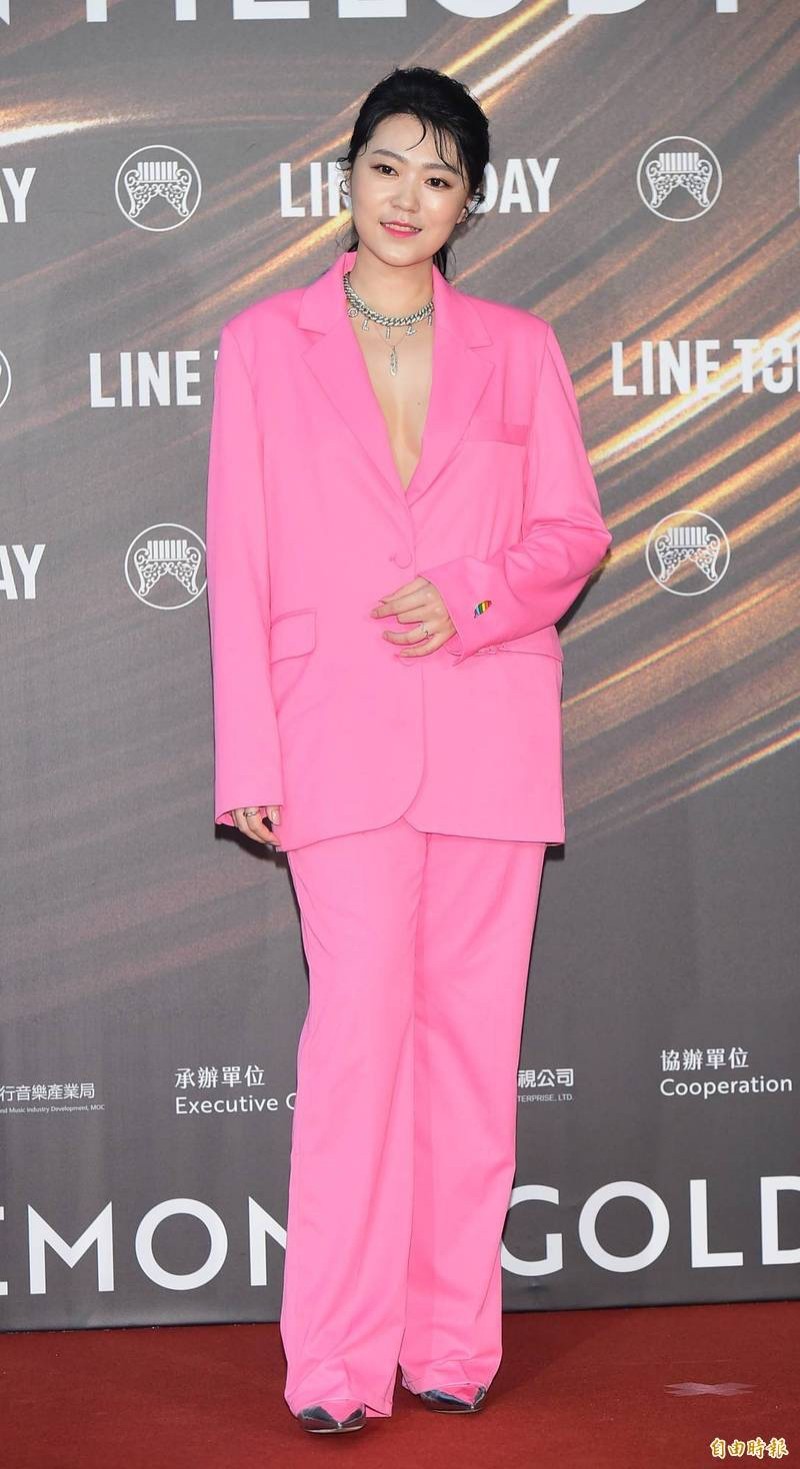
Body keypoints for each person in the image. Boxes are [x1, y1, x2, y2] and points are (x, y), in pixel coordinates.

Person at [205, 65, 612, 1436]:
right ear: (348, 175)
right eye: (388, 165)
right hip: (334, 743)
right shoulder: (263, 344)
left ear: (468, 204)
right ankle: (333, 1364)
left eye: (440, 177)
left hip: (490, 738)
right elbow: (239, 564)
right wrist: (250, 760)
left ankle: (449, 1343)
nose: (407, 197)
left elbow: (572, 531)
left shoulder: (521, 347)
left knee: (471, 1060)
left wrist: (476, 597)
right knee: (352, 1060)